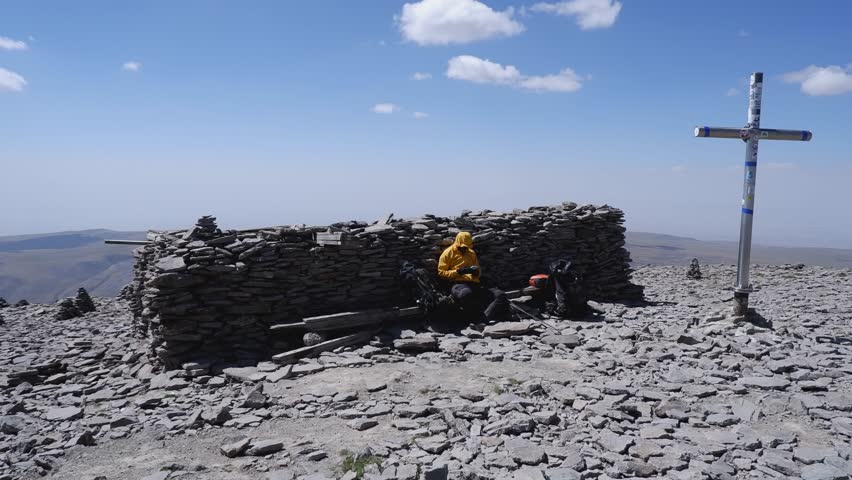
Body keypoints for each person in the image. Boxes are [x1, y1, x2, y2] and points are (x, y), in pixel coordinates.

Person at [437, 232, 509, 322]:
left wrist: (476, 273)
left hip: (474, 283)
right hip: (458, 284)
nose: (465, 249)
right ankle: (473, 319)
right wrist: (459, 271)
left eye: (466, 247)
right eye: (463, 247)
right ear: (457, 243)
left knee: (500, 295)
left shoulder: (471, 253)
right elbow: (441, 273)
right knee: (466, 294)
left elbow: (478, 270)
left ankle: (484, 318)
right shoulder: (448, 253)